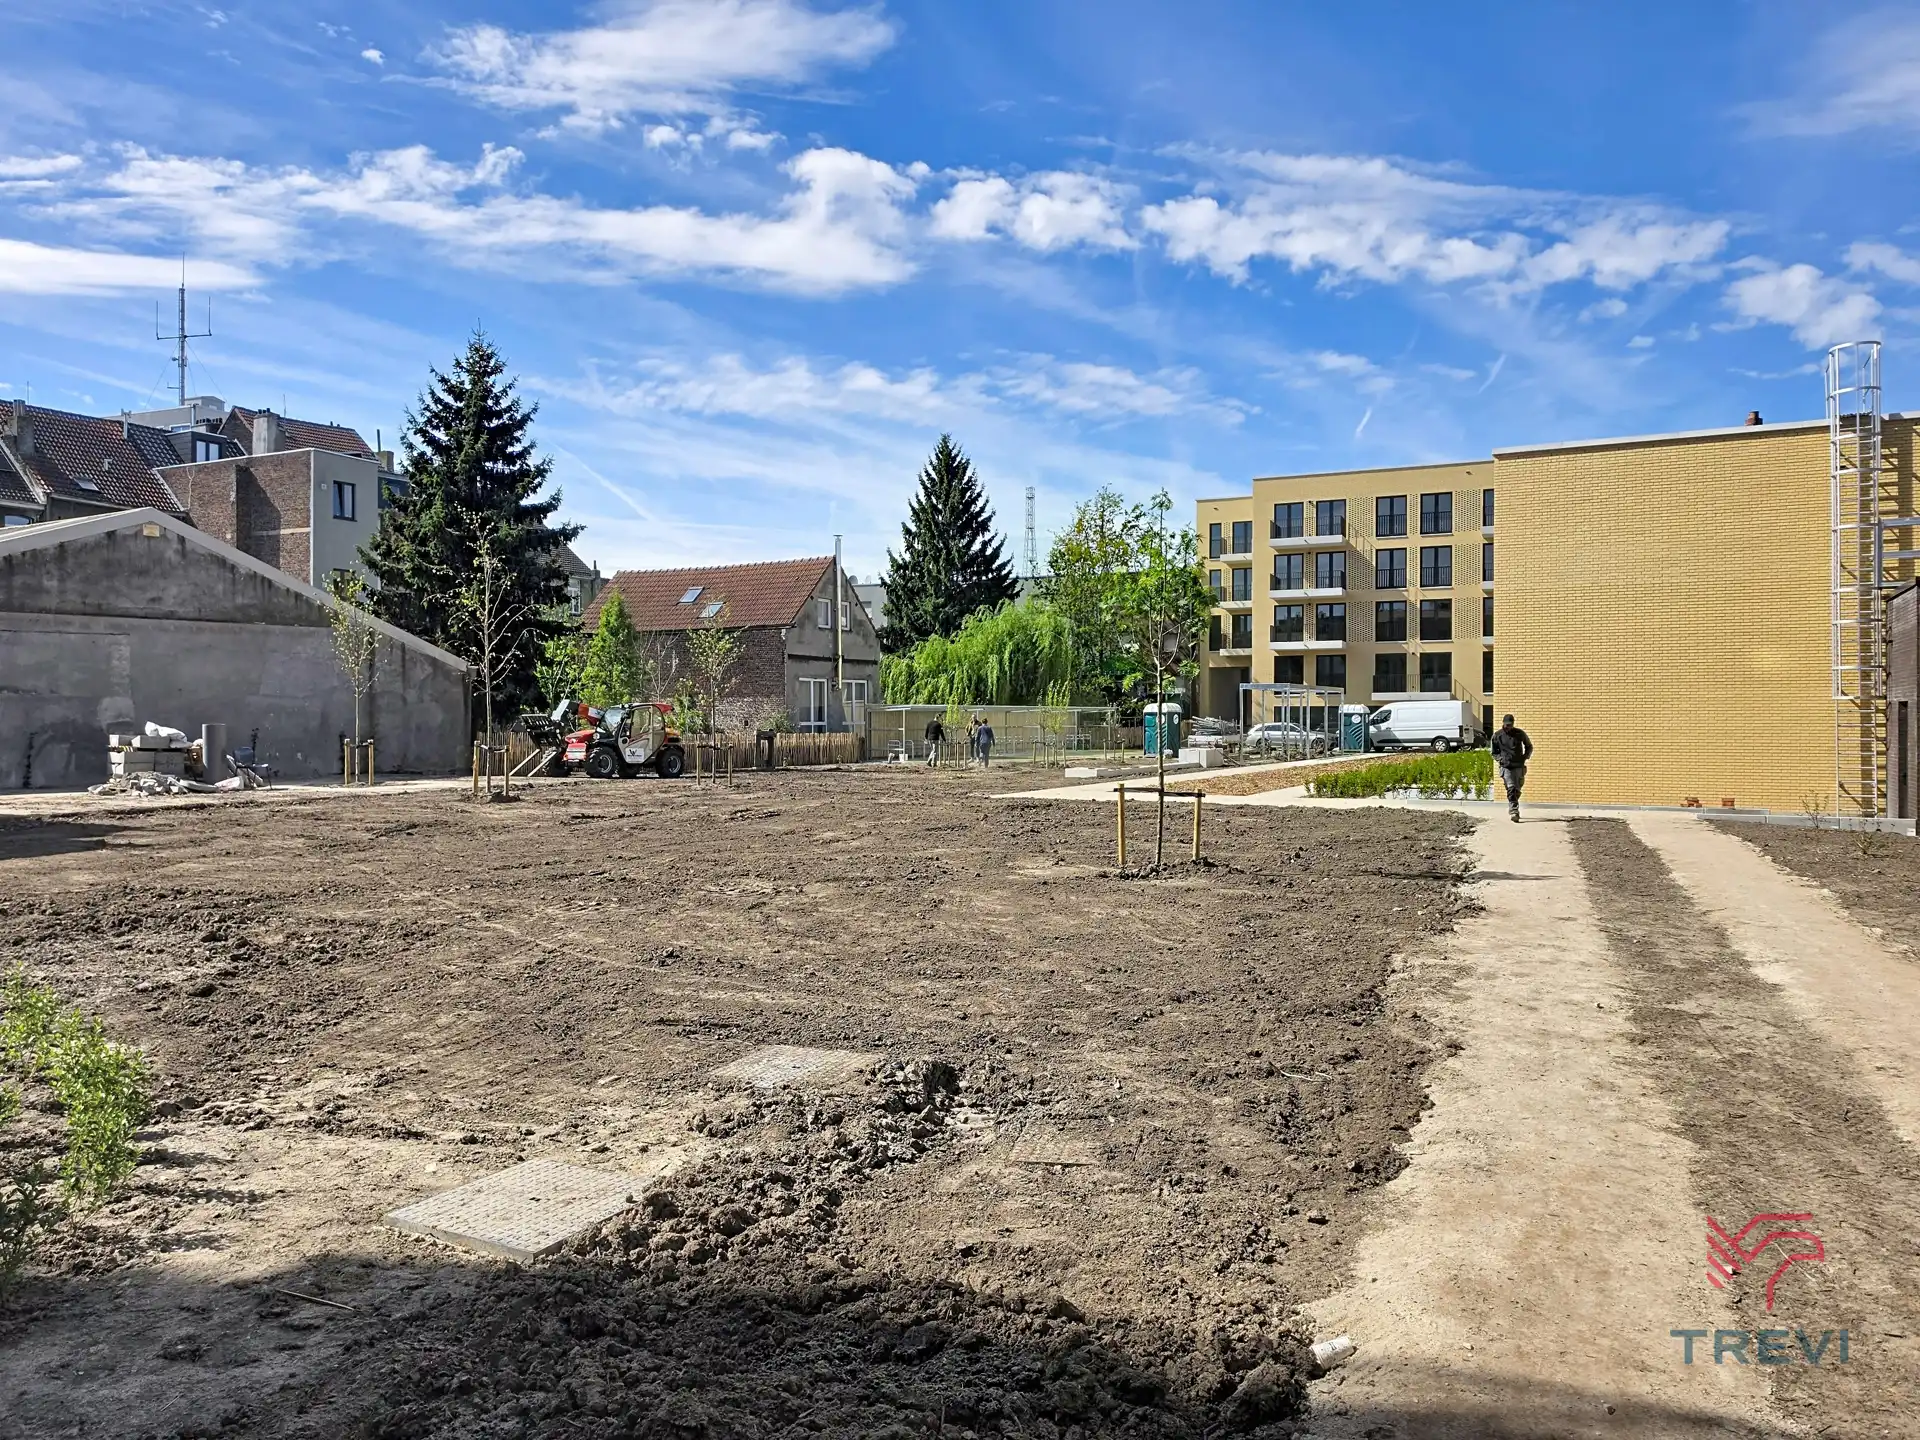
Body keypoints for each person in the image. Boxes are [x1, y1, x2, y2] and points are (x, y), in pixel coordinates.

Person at [1490, 713, 1534, 822]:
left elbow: (1529, 746)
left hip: (1519, 765)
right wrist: (1500, 759)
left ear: (1513, 724)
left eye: (1510, 725)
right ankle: (1514, 812)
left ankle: (1513, 802)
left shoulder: (1520, 733)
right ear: (1503, 724)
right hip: (1506, 766)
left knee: (1517, 789)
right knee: (1511, 788)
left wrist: (1525, 756)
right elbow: (1494, 752)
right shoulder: (1497, 735)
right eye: (1506, 725)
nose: (1507, 727)